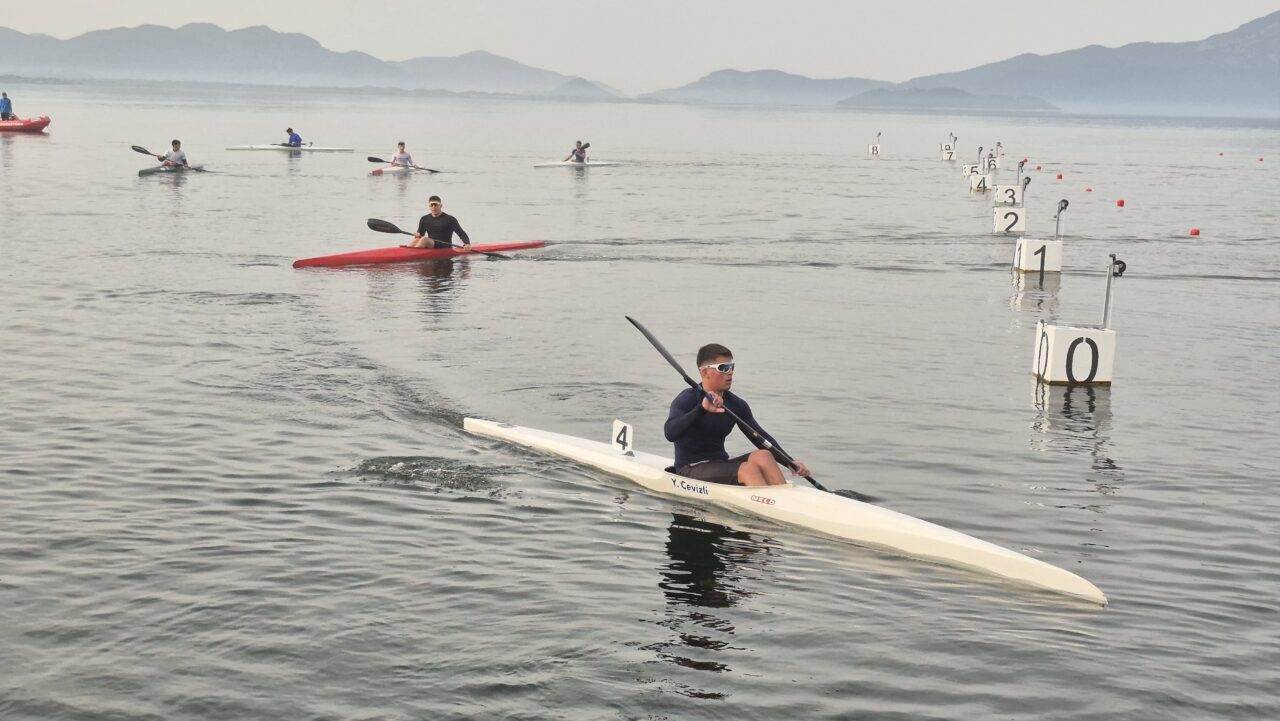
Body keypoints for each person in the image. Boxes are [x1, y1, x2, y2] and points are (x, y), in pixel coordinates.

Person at [664, 343, 810, 487]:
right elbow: (670, 433)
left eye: (731, 367)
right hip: (690, 468)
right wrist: (701, 409)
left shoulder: (736, 404)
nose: (730, 372)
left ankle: (781, 496)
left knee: (764, 455)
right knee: (748, 469)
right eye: (723, 368)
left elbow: (759, 436)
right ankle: (767, 499)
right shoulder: (687, 399)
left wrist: (789, 462)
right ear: (705, 373)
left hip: (720, 464)